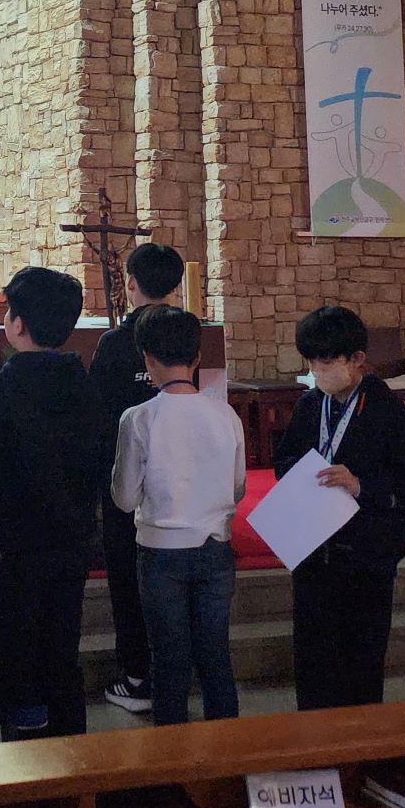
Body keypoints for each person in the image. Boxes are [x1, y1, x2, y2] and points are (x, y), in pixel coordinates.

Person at [0, 266, 112, 741]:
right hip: (70, 545)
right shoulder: (88, 390)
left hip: (9, 554)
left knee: (13, 656)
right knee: (61, 650)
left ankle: (24, 755)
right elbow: (101, 462)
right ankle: (69, 755)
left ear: (17, 324)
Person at [272, 304, 405, 712]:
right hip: (314, 554)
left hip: (366, 559)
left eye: (326, 361)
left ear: (357, 359)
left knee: (360, 665)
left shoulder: (387, 411)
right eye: (311, 361)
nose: (317, 370)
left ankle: (361, 747)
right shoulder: (311, 405)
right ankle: (315, 742)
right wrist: (302, 473)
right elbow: (283, 458)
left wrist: (360, 485)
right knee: (313, 664)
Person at [109, 307, 245, 725]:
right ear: (197, 358)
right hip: (216, 548)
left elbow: (124, 499)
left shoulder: (138, 418)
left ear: (147, 359)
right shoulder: (225, 414)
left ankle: (172, 757)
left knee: (169, 661)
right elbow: (238, 489)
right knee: (216, 657)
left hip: (161, 554)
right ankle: (229, 751)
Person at [87, 241, 186, 714]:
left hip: (125, 479)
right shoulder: (186, 335)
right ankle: (175, 671)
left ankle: (138, 674)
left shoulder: (114, 343)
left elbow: (100, 416)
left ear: (129, 283)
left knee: (128, 577)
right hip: (180, 479)